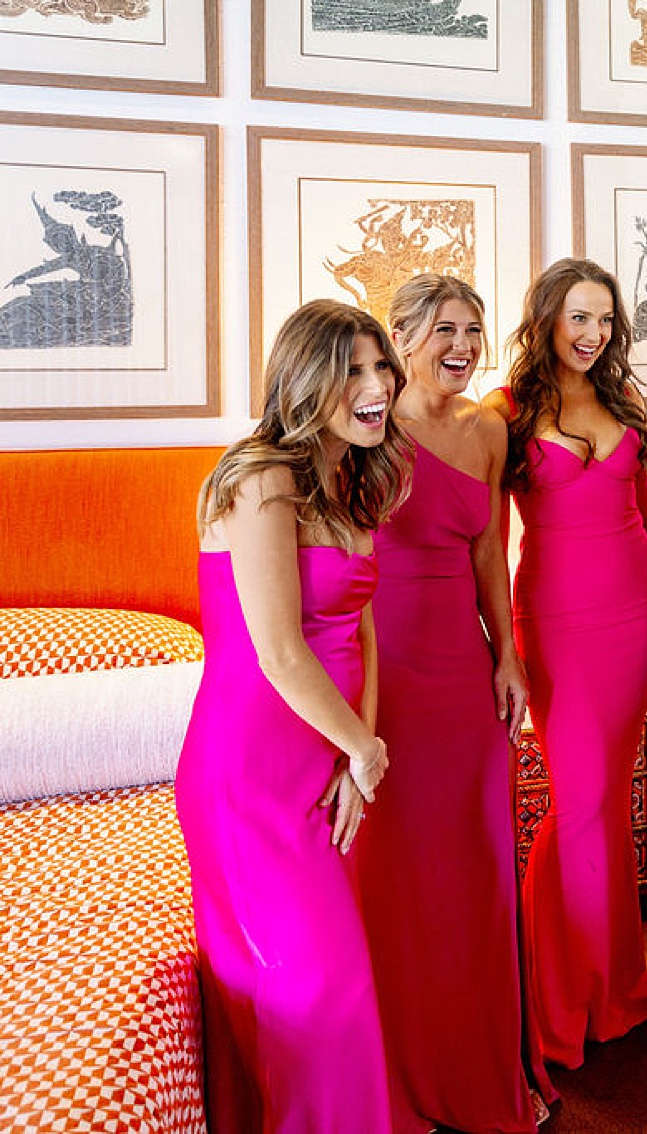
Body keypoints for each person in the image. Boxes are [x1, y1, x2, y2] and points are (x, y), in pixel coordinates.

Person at [175, 299, 410, 1131]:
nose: (378, 384)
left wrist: (359, 755)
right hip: (251, 773)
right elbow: (278, 652)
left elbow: (362, 633)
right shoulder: (258, 478)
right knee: (323, 989)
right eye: (353, 368)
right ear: (307, 377)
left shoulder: (349, 480)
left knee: (330, 986)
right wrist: (361, 748)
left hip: (332, 761)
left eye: (381, 366)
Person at [353, 273, 553, 1131]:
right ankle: (395, 1072)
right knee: (395, 881)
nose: (462, 344)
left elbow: (488, 554)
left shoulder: (488, 431)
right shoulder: (362, 426)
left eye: (473, 327)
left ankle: (478, 1064)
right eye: (443, 328)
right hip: (378, 672)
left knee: (474, 867)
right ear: (401, 339)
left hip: (461, 675)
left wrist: (506, 657)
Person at [484, 258, 647, 1070]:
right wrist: (503, 652)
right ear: (547, 317)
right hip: (552, 624)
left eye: (603, 320)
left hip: (632, 625)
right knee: (579, 803)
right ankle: (551, 992)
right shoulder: (506, 411)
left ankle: (616, 990)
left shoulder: (627, 403)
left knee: (610, 804)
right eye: (577, 317)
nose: (592, 335)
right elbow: (488, 544)